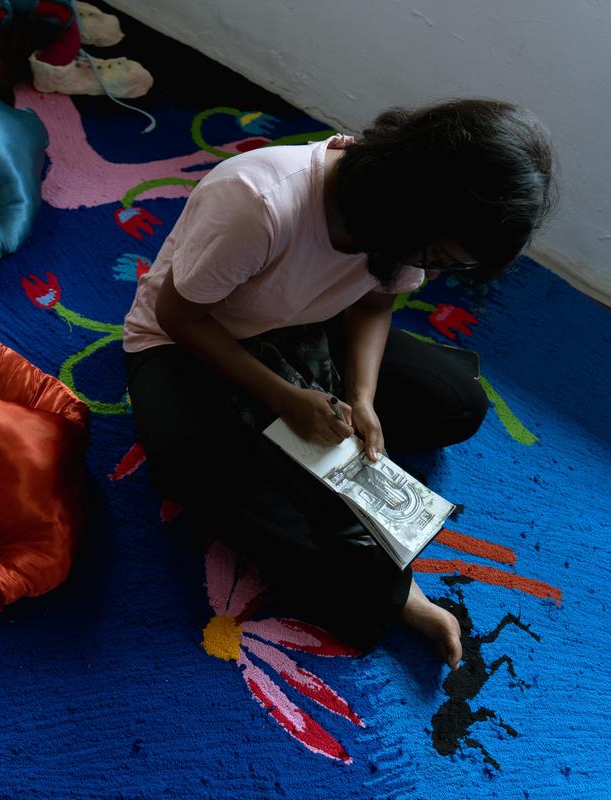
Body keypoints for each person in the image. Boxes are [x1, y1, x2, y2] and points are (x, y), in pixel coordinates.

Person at [121, 98, 554, 667]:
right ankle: (390, 592)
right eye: (440, 256)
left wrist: (362, 397)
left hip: (302, 321)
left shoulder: (399, 219)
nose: (438, 270)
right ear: (415, 201)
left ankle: (289, 435)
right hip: (190, 338)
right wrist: (285, 398)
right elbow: (179, 317)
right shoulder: (261, 202)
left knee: (455, 406)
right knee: (194, 465)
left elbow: (376, 301)